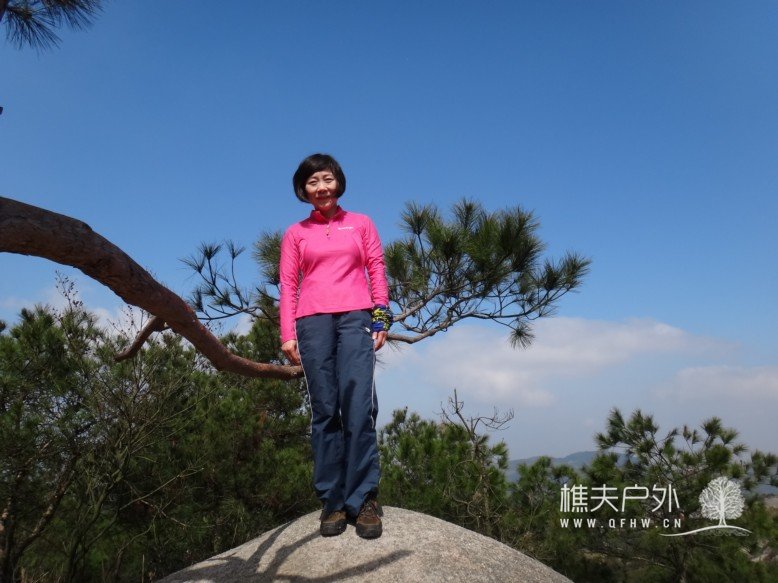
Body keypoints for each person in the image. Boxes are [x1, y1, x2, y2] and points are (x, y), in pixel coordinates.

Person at [279, 153, 392, 539]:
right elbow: (288, 283)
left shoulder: (361, 223)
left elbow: (376, 267)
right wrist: (287, 332)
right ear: (303, 189)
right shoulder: (296, 233)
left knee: (359, 406)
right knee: (325, 409)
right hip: (312, 322)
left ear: (338, 182)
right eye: (312, 182)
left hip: (356, 316)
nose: (321, 187)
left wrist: (381, 318)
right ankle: (332, 500)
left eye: (326, 179)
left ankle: (364, 499)